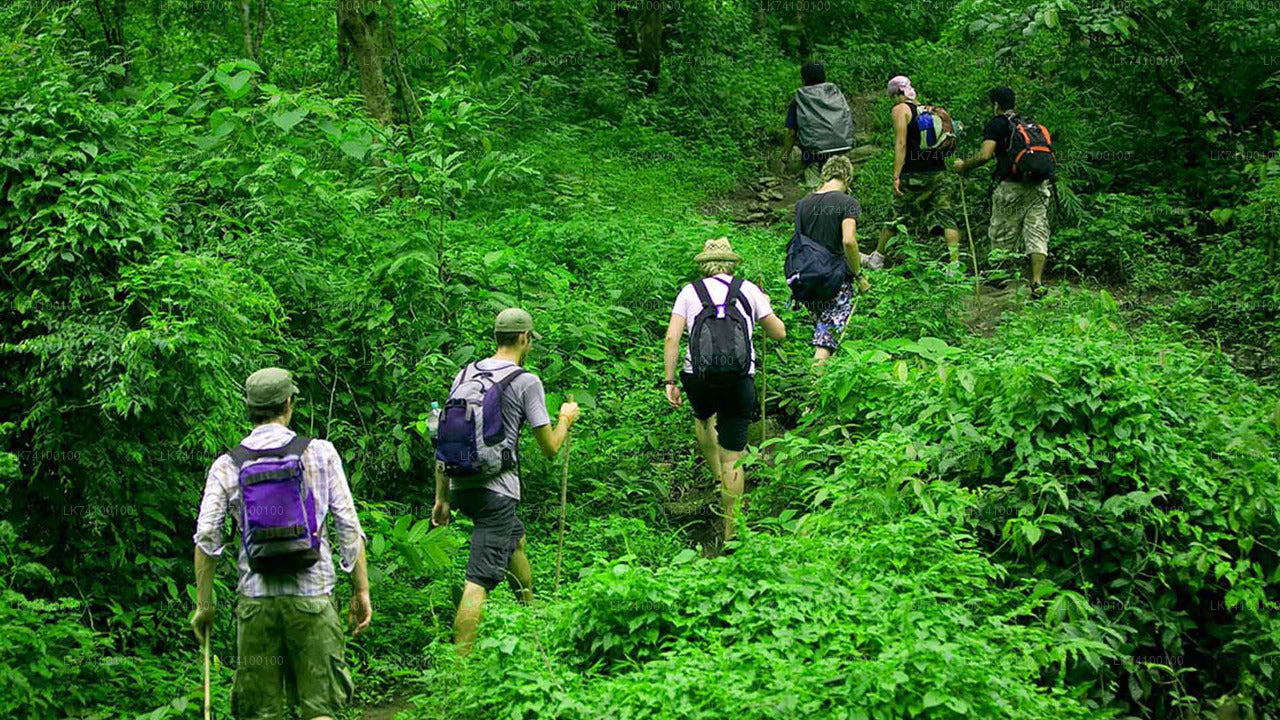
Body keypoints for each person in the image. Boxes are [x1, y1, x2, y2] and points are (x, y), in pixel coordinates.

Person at [192, 367, 371, 720]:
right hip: (313, 597)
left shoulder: (227, 465)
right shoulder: (320, 453)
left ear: (249, 408)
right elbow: (349, 526)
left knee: (262, 713)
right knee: (321, 708)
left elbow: (207, 539)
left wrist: (205, 604)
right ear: (288, 404)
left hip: (257, 602)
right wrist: (361, 589)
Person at [431, 308, 580, 656]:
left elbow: (445, 437)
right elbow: (550, 448)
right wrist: (565, 419)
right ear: (525, 338)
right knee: (478, 581)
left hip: (460, 485)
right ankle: (458, 670)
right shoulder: (525, 381)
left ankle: (531, 622)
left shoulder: (464, 373)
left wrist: (443, 498)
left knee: (515, 543)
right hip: (496, 491)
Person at [663, 237, 786, 545]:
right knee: (734, 455)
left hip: (698, 378)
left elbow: (671, 338)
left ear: (704, 266)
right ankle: (732, 532)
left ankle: (716, 477)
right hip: (739, 379)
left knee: (704, 417)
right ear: (733, 263)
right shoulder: (748, 290)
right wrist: (764, 305)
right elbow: (779, 333)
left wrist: (669, 381)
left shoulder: (689, 292)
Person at [953, 86, 1053, 298]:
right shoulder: (1028, 123)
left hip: (1011, 187)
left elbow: (985, 155)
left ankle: (999, 276)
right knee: (1037, 231)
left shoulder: (997, 124)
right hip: (1038, 186)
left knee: (1002, 230)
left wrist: (964, 166)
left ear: (996, 104)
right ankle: (1036, 282)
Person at [868, 75, 962, 271]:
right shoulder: (929, 110)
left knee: (896, 213)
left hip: (913, 174)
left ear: (898, 94)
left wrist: (896, 175)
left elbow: (901, 143)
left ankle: (877, 258)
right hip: (938, 172)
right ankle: (955, 265)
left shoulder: (900, 110)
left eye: (893, 96)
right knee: (946, 216)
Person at [794, 155, 872, 362]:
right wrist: (858, 274)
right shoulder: (847, 202)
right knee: (826, 340)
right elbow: (848, 240)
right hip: (835, 278)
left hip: (807, 277)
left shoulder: (803, 204)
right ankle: (816, 383)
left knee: (822, 328)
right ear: (847, 179)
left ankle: (820, 377)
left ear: (825, 175)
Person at [780, 61, 856, 188]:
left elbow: (791, 133)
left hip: (815, 151)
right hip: (841, 146)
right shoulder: (835, 93)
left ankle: (813, 179)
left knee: (815, 186)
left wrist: (784, 158)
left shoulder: (800, 98)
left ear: (804, 78)